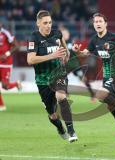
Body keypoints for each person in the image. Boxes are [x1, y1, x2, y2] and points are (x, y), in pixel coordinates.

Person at [72, 13, 115, 137]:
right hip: (107, 75)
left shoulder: (113, 37)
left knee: (100, 95)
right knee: (110, 106)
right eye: (96, 22)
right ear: (93, 25)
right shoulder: (94, 40)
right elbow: (85, 53)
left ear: (105, 24)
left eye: (100, 21)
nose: (98, 24)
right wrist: (78, 51)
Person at [27, 10, 78, 142]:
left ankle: (71, 131)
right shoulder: (34, 38)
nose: (48, 25)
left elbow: (65, 50)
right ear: (38, 23)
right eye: (45, 23)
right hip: (43, 80)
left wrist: (68, 55)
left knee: (61, 96)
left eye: (50, 22)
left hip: (58, 74)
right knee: (53, 115)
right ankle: (60, 128)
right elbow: (30, 60)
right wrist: (52, 56)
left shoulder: (57, 34)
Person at [0, 21, 22, 111]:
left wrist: (7, 53)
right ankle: (1, 106)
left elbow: (17, 46)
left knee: (5, 86)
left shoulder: (6, 33)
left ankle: (16, 84)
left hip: (6, 63)